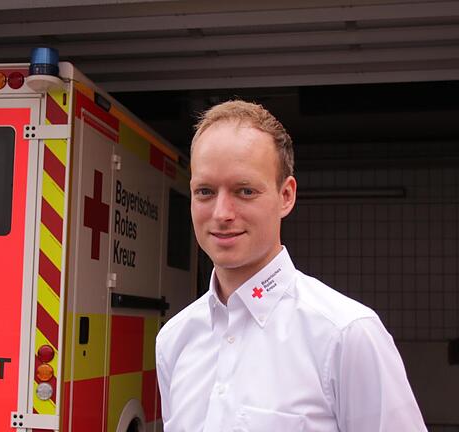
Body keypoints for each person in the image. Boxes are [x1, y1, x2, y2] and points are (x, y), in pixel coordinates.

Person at [155, 100, 426, 432]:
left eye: (245, 191)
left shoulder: (346, 334)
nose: (222, 213)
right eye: (205, 191)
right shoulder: (174, 340)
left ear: (286, 196)